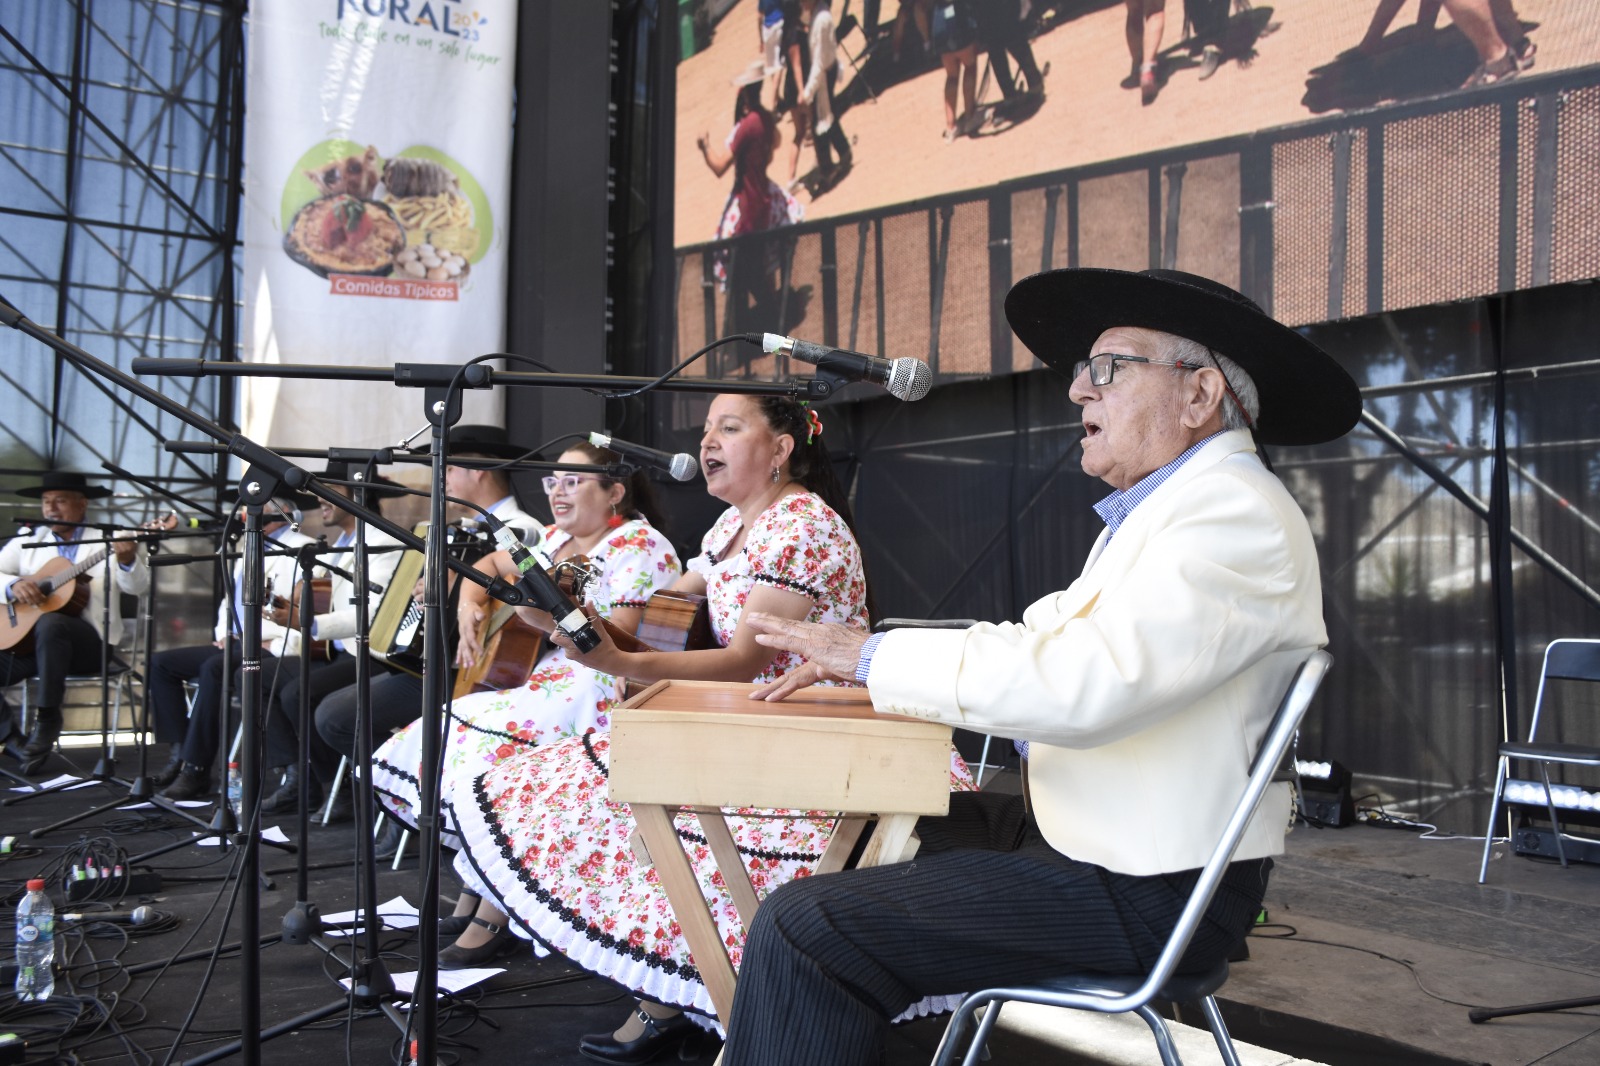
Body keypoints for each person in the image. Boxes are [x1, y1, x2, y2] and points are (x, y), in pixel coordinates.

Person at [714, 267, 1363, 1066]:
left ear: (1198, 397)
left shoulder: (1232, 514)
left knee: (805, 929)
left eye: (1108, 369)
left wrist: (869, 654)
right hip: (1097, 838)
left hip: (1152, 886)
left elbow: (1078, 684)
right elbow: (1037, 645)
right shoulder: (1175, 510)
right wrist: (863, 657)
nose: (1078, 393)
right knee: (853, 834)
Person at [439, 394, 972, 1062]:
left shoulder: (801, 524)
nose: (708, 441)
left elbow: (744, 659)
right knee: (571, 781)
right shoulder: (728, 529)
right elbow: (660, 614)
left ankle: (708, 1000)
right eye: (706, 427)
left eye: (729, 427)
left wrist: (616, 657)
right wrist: (573, 622)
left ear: (780, 449)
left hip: (834, 739)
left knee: (626, 799)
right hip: (760, 720)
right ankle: (679, 997)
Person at [370, 441, 678, 858]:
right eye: (553, 481)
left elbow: (620, 636)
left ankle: (492, 884)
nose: (557, 492)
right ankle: (485, 877)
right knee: (449, 722)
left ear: (615, 492)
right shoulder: (552, 539)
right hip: (547, 673)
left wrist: (543, 618)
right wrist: (469, 605)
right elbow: (489, 565)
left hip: (600, 679)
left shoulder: (637, 542)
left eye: (573, 481)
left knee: (476, 742)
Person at [311, 425, 540, 832]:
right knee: (331, 710)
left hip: (471, 672)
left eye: (450, 469)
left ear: (479, 472)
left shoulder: (522, 529)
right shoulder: (465, 527)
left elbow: (531, 606)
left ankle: (405, 808)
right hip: (434, 659)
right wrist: (429, 592)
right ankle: (403, 799)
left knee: (337, 717)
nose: (444, 480)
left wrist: (454, 590)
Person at [257, 465, 403, 815]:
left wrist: (308, 622)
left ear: (355, 492)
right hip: (333, 651)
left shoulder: (382, 541)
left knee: (298, 692)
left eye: (328, 490)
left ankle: (339, 788)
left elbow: (373, 613)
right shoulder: (340, 543)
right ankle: (300, 776)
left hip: (367, 653)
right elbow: (323, 594)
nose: (319, 498)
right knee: (256, 676)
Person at [147, 496, 313, 800]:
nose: (246, 512)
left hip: (273, 645)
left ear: (284, 511)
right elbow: (230, 600)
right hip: (236, 642)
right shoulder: (246, 546)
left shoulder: (303, 546)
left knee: (214, 668)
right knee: (161, 664)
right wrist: (224, 633)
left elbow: (303, 611)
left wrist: (262, 638)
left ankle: (195, 770)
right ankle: (180, 752)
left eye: (258, 505)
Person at [0, 472, 150, 775]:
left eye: (60, 500)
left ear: (82, 504)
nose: (51, 508)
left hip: (91, 645)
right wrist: (13, 585)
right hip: (32, 646)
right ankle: (12, 740)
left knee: (53, 622)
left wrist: (127, 560)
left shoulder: (114, 536)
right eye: (46, 501)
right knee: (47, 624)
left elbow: (139, 587)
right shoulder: (29, 539)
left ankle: (47, 717)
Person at [697, 80, 803, 335]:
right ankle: (772, 311)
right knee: (761, 261)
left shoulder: (747, 126)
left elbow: (720, 167)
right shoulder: (764, 119)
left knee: (737, 260)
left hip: (749, 201)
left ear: (743, 94)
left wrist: (704, 147)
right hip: (765, 193)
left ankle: (766, 319)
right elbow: (776, 142)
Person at [798, 0, 852, 187]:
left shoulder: (821, 19)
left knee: (820, 121)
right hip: (824, 71)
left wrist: (807, 92)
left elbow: (819, 62)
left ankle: (828, 168)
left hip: (825, 73)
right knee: (828, 114)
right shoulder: (815, 15)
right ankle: (844, 151)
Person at [933, 0, 981, 140]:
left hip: (940, 21)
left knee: (951, 76)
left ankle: (950, 126)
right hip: (958, 20)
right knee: (970, 66)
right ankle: (969, 116)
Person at [1124, 0, 1168, 105]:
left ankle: (1137, 66)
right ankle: (1147, 70)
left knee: (1133, 10)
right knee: (1155, 11)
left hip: (1124, 84)